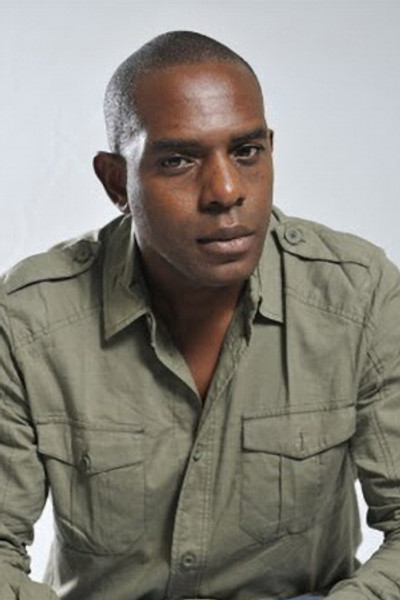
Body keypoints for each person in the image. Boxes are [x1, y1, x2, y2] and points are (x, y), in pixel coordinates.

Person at [0, 30, 399, 600]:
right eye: (179, 161)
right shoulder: (28, 321)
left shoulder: (358, 296)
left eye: (247, 152)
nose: (226, 191)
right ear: (117, 181)